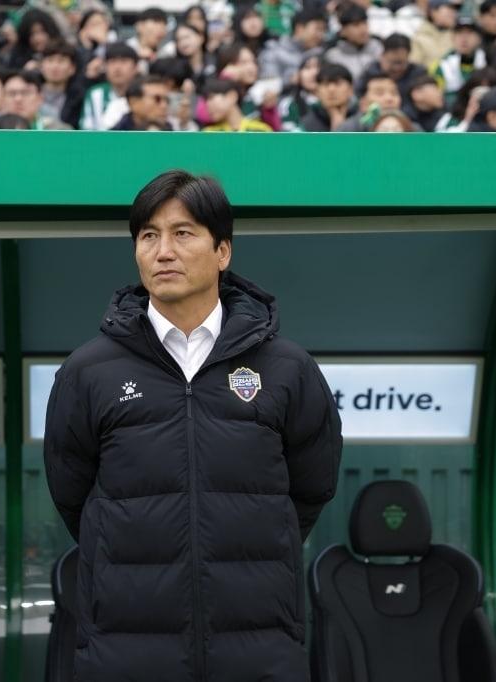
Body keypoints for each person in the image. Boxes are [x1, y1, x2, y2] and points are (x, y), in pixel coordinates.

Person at [44, 169, 341, 681]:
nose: (163, 251)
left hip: (258, 646)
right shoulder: (88, 372)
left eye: (183, 233)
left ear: (222, 251)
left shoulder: (287, 368)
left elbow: (310, 490)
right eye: (148, 236)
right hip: (126, 648)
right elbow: (75, 496)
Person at [258, 9, 326, 84]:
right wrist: (291, 80)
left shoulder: (321, 53)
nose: (321, 35)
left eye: (323, 30)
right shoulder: (274, 51)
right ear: (300, 29)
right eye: (318, 29)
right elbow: (268, 85)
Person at [80, 41, 137, 130]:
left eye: (123, 61)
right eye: (112, 62)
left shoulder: (143, 94)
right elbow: (86, 129)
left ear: (135, 67)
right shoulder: (95, 94)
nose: (117, 68)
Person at [432, 17, 487, 106]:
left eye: (469, 33)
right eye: (459, 33)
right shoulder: (441, 66)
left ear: (479, 38)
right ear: (452, 37)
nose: (464, 38)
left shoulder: (488, 61)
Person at [358, 33, 426, 102]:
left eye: (401, 63)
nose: (396, 68)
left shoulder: (418, 75)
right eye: (393, 63)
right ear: (382, 56)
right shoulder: (370, 74)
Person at [324, 5, 383, 84]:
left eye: (365, 23)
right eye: (356, 25)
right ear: (343, 31)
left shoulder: (379, 48)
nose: (363, 29)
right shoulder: (333, 57)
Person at [3, 69, 72, 129]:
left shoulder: (59, 131)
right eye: (12, 93)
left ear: (40, 98)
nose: (18, 99)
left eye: (25, 93)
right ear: (3, 98)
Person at [39, 40, 84, 127]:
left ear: (72, 68)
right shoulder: (30, 92)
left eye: (61, 61)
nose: (55, 66)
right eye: (50, 60)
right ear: (41, 66)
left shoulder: (79, 99)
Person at [300, 62, 356, 131]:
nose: (331, 90)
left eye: (337, 83)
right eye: (325, 84)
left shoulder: (363, 118)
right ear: (317, 91)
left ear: (351, 89)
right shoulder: (306, 124)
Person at [202, 77, 272, 131]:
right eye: (206, 100)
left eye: (211, 98)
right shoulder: (208, 134)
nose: (208, 104)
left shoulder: (261, 131)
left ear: (232, 96)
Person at [410, 0, 458, 70]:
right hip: (427, 79)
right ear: (433, 12)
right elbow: (414, 68)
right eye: (449, 8)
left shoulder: (457, 36)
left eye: (454, 10)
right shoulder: (419, 38)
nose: (453, 13)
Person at [277, 52, 319, 131]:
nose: (314, 73)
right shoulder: (289, 105)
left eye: (318, 67)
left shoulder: (338, 103)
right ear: (297, 75)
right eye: (307, 67)